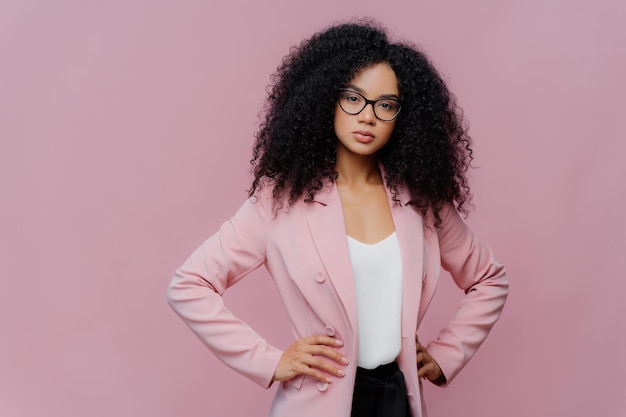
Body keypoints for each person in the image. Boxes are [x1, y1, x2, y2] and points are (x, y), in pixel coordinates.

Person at [167, 20, 508, 417]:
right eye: (354, 98)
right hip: (315, 403)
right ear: (326, 99)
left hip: (395, 402)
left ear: (403, 117)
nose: (368, 116)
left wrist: (445, 356)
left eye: (385, 104)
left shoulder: (422, 202)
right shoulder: (279, 200)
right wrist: (270, 361)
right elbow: (189, 285)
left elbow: (489, 278)